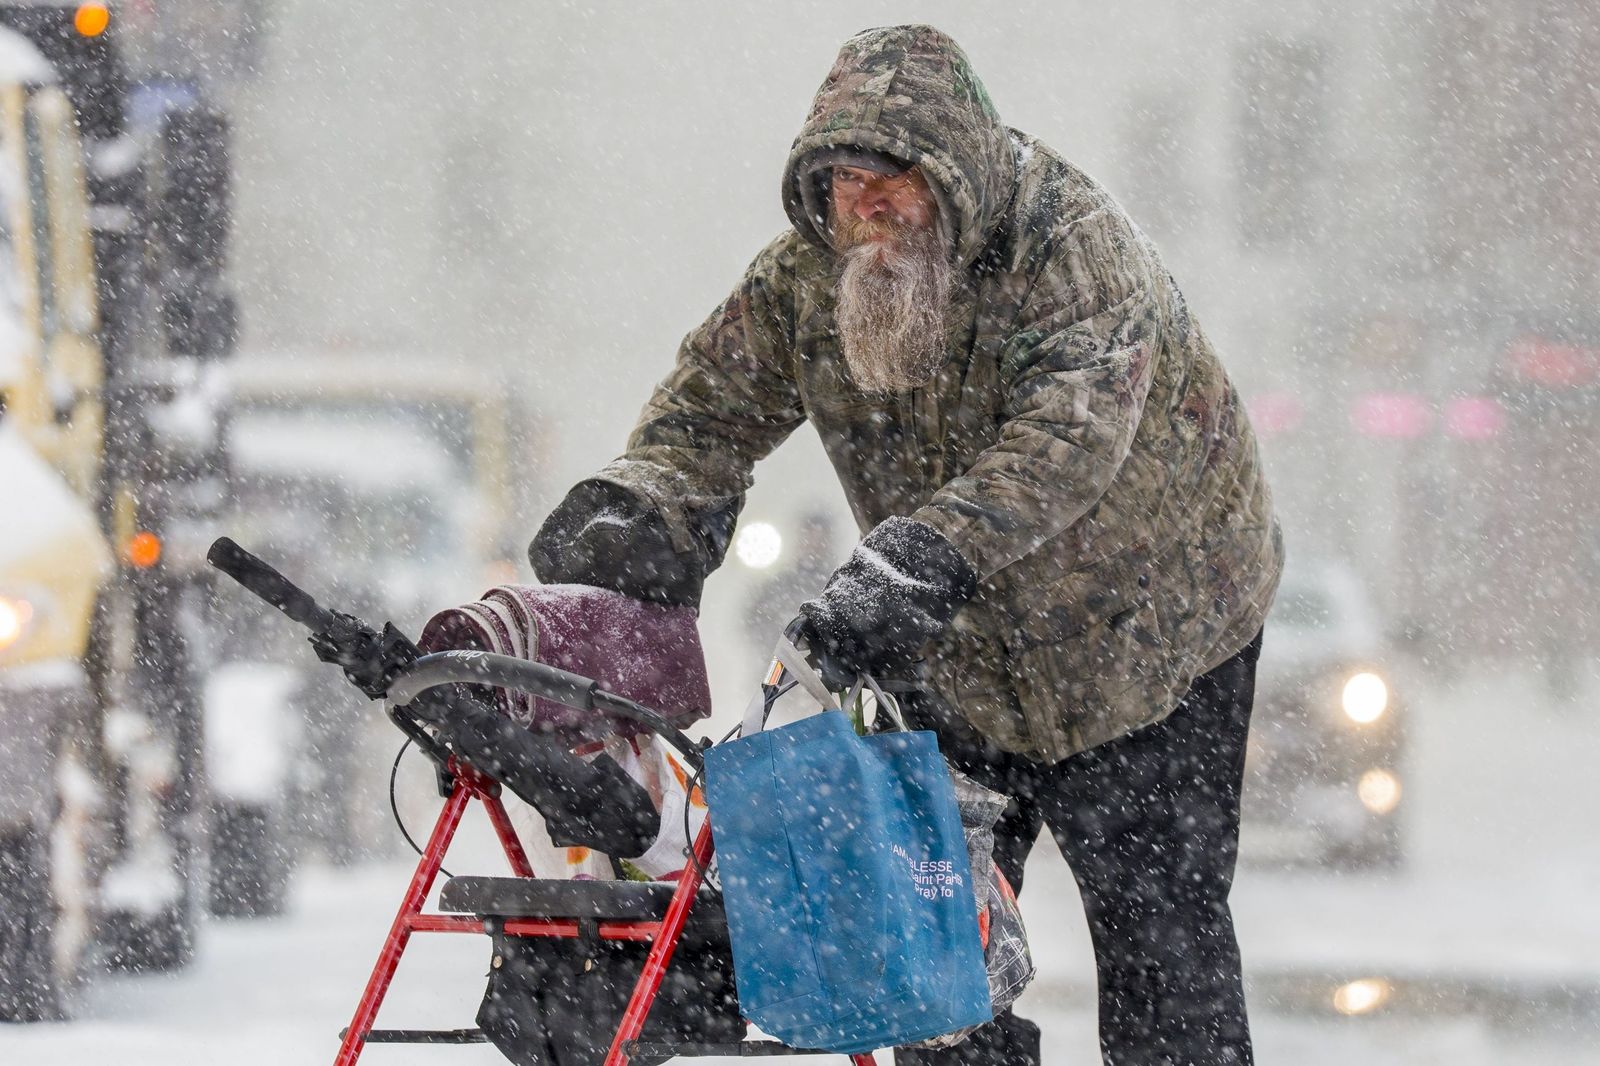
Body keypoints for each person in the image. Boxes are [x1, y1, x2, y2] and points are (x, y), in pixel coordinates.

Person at [530, 24, 1283, 1066]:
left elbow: (1066, 440)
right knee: (932, 961)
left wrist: (918, 557)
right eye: (844, 182)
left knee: (1162, 950)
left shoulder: (1071, 249)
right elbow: (706, 409)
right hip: (959, 659)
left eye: (895, 179)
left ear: (957, 175)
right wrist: (640, 498)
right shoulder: (806, 283)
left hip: (1151, 648)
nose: (868, 205)